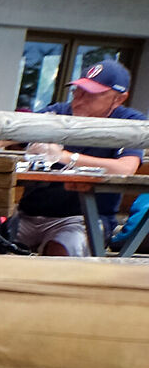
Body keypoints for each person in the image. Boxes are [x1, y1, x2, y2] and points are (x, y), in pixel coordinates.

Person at [9, 59, 143, 256]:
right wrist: (21, 140)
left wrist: (64, 156)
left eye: (91, 95)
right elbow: (6, 134)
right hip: (28, 213)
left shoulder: (130, 121)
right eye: (77, 91)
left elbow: (125, 168)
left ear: (119, 99)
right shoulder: (58, 111)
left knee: (61, 249)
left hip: (84, 217)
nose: (78, 99)